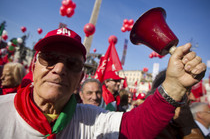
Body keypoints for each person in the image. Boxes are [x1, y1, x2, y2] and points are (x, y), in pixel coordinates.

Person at [0, 27, 206, 139]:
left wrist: (174, 87)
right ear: (33, 65)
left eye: (72, 63)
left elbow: (133, 127)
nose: (60, 68)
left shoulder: (91, 118)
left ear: (79, 79)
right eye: (50, 58)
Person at [146, 69, 205, 139]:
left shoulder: (177, 124)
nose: (193, 98)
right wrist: (188, 127)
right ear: (169, 92)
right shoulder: (156, 128)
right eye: (187, 91)